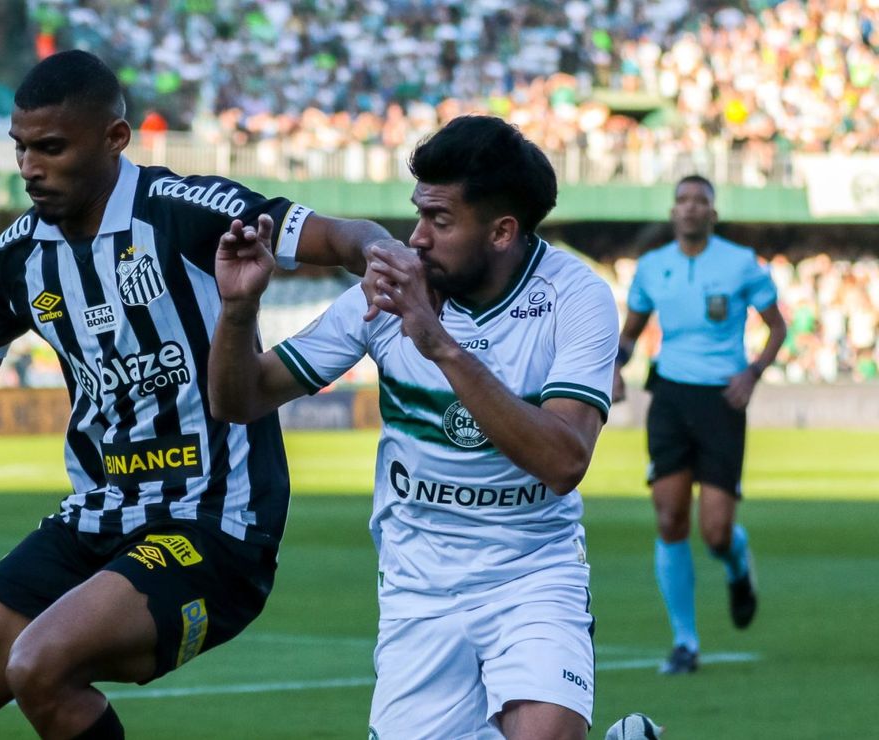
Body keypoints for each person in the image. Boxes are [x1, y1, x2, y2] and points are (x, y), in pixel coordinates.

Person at [0, 49, 398, 739]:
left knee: (42, 665)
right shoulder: (13, 261)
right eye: (20, 148)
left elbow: (341, 236)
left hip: (212, 521)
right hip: (99, 513)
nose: (29, 167)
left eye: (51, 148)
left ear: (115, 138)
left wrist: (384, 256)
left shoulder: (185, 211)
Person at [208, 115, 619, 740]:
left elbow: (565, 461)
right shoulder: (386, 289)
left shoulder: (576, 297)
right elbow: (241, 399)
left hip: (533, 570)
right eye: (418, 214)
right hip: (419, 585)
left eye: (440, 220)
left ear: (502, 231)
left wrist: (439, 344)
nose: (416, 238)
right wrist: (238, 309)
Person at [612, 174, 787, 675]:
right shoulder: (652, 267)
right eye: (682, 200)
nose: (690, 208)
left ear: (713, 213)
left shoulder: (740, 263)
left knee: (715, 533)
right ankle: (685, 642)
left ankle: (737, 561)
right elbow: (631, 334)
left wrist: (753, 373)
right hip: (669, 395)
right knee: (669, 518)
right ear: (672, 212)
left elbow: (777, 326)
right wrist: (614, 367)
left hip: (721, 400)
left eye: (700, 201)